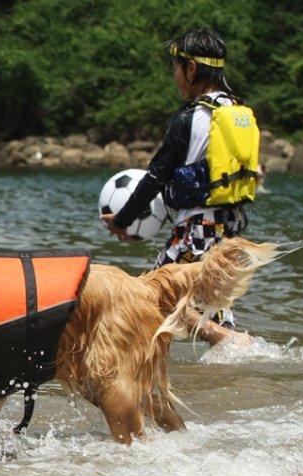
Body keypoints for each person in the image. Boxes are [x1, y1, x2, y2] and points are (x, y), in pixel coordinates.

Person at [102, 29, 260, 346]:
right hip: (228, 225)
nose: (175, 76)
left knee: (159, 295)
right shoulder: (237, 111)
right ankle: (238, 362)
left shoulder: (191, 118)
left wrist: (122, 221)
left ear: (191, 69)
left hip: (198, 226)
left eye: (176, 68)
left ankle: (235, 342)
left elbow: (156, 176)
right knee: (211, 306)